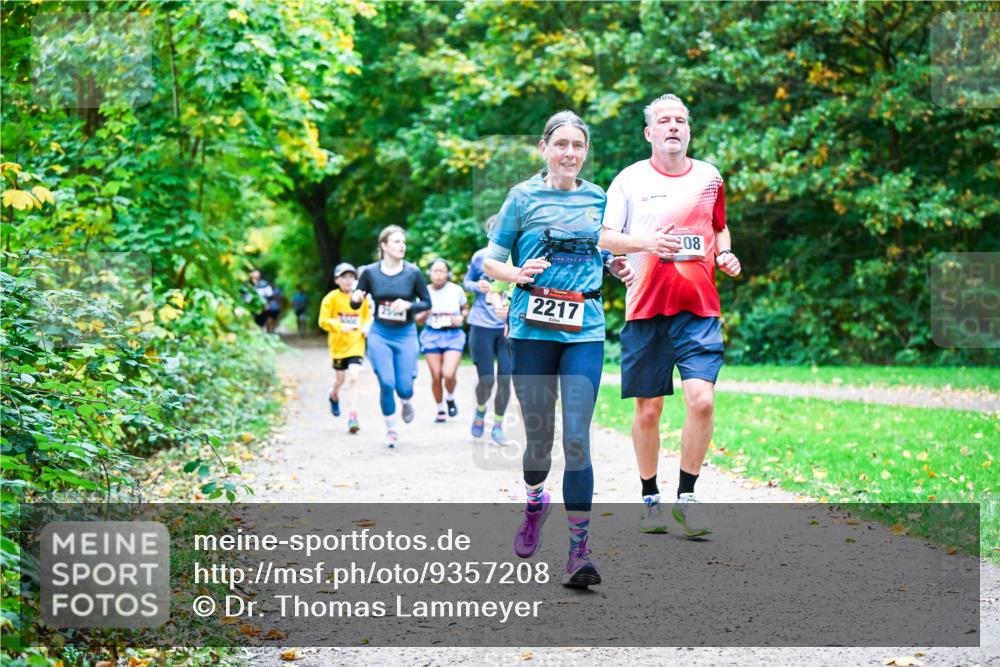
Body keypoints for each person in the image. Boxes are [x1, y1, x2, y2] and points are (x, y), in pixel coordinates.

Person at [482, 110, 633, 588]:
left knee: (576, 439)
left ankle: (579, 552)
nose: (570, 153)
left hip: (584, 328)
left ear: (586, 151)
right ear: (544, 147)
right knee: (540, 443)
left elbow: (607, 251)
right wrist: (516, 274)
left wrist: (617, 267)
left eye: (578, 145)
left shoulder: (598, 198)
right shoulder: (522, 197)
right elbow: (491, 261)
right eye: (561, 144)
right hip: (531, 330)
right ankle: (534, 502)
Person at [600, 93, 742, 537]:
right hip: (646, 308)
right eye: (664, 121)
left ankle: (688, 496)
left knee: (702, 400)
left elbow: (718, 227)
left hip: (698, 309)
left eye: (681, 120)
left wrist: (726, 254)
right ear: (649, 133)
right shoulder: (628, 180)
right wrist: (641, 246)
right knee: (649, 410)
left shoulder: (709, 178)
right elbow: (606, 237)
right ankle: (649, 498)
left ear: (689, 131)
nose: (674, 126)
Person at [350, 225, 431, 448]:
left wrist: (408, 304)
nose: (402, 245)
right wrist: (356, 297)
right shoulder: (370, 272)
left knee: (404, 387)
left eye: (403, 242)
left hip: (405, 333)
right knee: (386, 382)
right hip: (380, 333)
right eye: (396, 241)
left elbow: (426, 302)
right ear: (384, 246)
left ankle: (406, 401)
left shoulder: (413, 272)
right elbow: (355, 302)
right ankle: (391, 429)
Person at [464, 218, 513, 445]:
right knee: (486, 380)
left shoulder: (518, 255)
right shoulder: (480, 257)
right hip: (482, 325)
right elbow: (467, 282)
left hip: (508, 327)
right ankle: (481, 409)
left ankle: (498, 426)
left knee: (505, 379)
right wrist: (478, 286)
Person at [318, 263, 371, 434]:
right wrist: (340, 325)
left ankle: (353, 416)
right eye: (344, 277)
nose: (348, 280)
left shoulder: (360, 298)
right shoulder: (331, 298)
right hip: (338, 346)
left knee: (354, 377)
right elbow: (323, 321)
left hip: (356, 344)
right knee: (340, 380)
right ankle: (334, 394)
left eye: (351, 277)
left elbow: (367, 318)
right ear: (336, 280)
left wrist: (366, 327)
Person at [416, 259, 468, 423]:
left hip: (453, 335)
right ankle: (440, 409)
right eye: (435, 271)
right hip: (431, 335)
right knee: (436, 375)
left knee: (448, 373)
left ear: (448, 274)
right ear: (429, 273)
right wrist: (425, 313)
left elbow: (464, 308)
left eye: (442, 271)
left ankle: (450, 398)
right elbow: (418, 320)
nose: (438, 274)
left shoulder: (456, 290)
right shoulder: (423, 292)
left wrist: (460, 317)